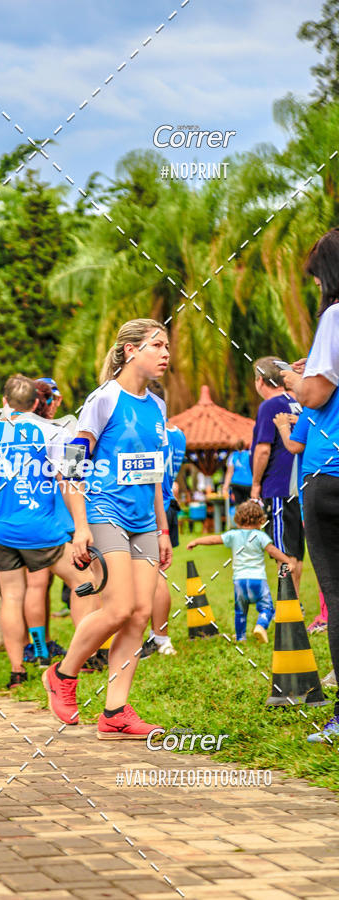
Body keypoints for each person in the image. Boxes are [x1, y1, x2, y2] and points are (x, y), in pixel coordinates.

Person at [42, 318, 172, 739]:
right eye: (157, 345)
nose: (166, 353)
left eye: (167, 346)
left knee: (139, 613)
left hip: (146, 522)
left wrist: (164, 530)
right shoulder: (104, 399)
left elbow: (154, 474)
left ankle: (115, 712)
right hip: (104, 512)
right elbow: (72, 468)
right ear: (131, 350)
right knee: (116, 609)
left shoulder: (157, 406)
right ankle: (62, 676)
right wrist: (80, 527)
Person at [0, 374, 94, 688]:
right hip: (43, 528)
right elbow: (72, 478)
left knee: (11, 596)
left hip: (1, 530)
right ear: (36, 403)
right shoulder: (52, 430)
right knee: (85, 583)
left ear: (4, 401)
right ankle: (85, 658)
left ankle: (17, 671)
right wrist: (81, 527)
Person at [279, 228, 339, 742]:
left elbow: (317, 396)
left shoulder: (335, 317)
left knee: (337, 594)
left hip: (330, 475)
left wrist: (292, 379)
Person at [188, 500, 296, 643]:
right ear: (260, 520)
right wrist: (287, 561)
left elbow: (214, 539)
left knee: (240, 612)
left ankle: (240, 638)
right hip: (257, 580)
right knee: (267, 608)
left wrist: (197, 541)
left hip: (239, 581)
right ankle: (260, 626)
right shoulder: (260, 536)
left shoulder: (233, 535)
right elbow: (272, 551)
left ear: (238, 519)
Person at [140, 379, 186, 659]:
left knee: (155, 576)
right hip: (168, 503)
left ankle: (161, 638)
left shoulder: (147, 432)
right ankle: (158, 635)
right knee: (158, 573)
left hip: (151, 505)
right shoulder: (177, 435)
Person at [250, 357, 304, 594]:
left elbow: (263, 449)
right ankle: (295, 602)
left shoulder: (269, 406)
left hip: (279, 486)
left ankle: (288, 604)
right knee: (295, 549)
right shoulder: (298, 401)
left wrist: (255, 484)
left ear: (260, 380)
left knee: (282, 550)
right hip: (299, 484)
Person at [273, 409, 328, 635]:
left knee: (324, 561)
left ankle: (326, 615)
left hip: (316, 490)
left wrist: (283, 426)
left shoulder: (314, 405)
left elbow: (295, 446)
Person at [222, 439, 253, 506]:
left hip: (236, 484)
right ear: (244, 446)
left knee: (239, 506)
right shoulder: (250, 454)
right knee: (250, 505)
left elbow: (229, 473)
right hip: (249, 483)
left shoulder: (232, 456)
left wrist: (225, 487)